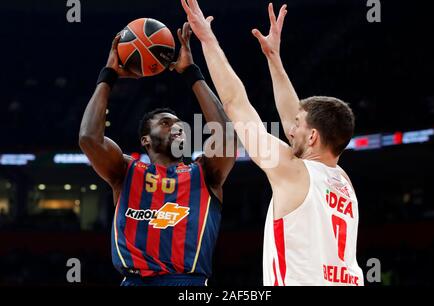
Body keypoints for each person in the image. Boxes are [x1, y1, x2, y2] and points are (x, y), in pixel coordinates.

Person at [181, 0, 364, 285]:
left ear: (313, 136)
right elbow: (297, 118)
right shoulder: (343, 182)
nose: (289, 131)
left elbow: (235, 104)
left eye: (297, 128)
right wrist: (274, 60)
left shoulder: (292, 170)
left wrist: (208, 39)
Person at [79, 22, 236, 286]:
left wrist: (191, 73)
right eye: (165, 123)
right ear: (145, 140)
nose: (176, 126)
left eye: (178, 123)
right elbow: (88, 138)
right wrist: (108, 75)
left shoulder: (204, 173)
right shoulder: (126, 172)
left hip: (187, 283)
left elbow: (227, 138)